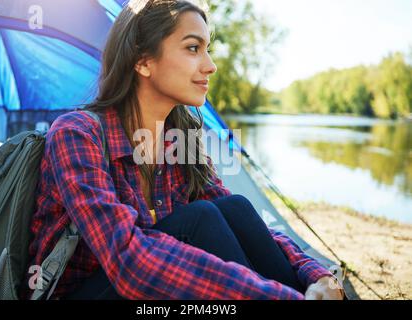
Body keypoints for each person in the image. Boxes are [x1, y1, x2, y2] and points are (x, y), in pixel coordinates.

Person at [24, 0, 344, 300]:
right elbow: (128, 262)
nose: (211, 66)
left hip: (152, 289)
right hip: (85, 290)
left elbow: (241, 222)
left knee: (235, 207)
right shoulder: (78, 134)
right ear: (143, 60)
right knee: (199, 219)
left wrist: (314, 276)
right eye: (193, 48)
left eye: (208, 50)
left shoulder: (180, 138)